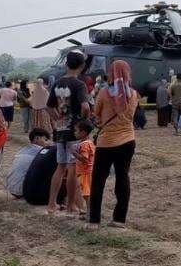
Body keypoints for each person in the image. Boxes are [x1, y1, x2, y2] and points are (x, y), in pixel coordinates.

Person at [88, 60, 139, 230]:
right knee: (122, 178)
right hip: (128, 140)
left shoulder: (103, 93)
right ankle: (119, 219)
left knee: (98, 181)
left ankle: (94, 220)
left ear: (110, 73)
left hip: (106, 142)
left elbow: (96, 116)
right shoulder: (133, 94)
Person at [47, 50, 90, 216]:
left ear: (66, 64)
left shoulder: (57, 83)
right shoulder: (79, 85)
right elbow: (85, 107)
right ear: (82, 66)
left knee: (60, 167)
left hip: (60, 130)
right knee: (73, 168)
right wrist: (82, 122)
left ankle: (52, 204)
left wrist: (58, 119)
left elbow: (48, 106)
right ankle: (71, 205)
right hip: (74, 131)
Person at [6, 128, 51, 198]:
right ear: (37, 138)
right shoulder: (41, 151)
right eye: (45, 140)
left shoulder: (23, 150)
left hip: (12, 189)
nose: (48, 143)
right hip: (24, 190)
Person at [73, 120, 95, 218]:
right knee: (87, 193)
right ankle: (90, 212)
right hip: (87, 171)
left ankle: (90, 213)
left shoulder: (84, 145)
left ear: (83, 132)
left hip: (85, 172)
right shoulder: (90, 142)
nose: (74, 133)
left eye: (76, 131)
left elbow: (84, 159)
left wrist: (74, 153)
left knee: (86, 194)